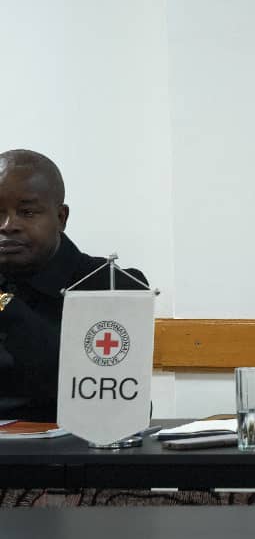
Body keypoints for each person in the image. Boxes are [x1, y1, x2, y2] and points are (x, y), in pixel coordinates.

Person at [0, 149, 147, 421]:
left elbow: (123, 409)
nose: (8, 226)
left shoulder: (111, 286)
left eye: (27, 212)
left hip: (75, 445)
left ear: (61, 217)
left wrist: (9, 310)